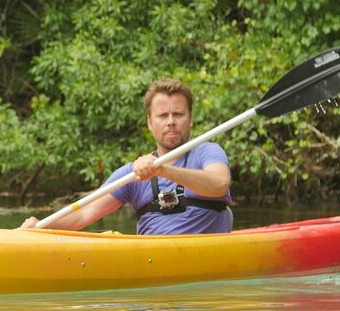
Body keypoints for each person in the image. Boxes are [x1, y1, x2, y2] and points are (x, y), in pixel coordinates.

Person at [20, 78, 232, 234]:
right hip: (148, 262)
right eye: (162, 116)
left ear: (190, 119)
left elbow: (219, 184)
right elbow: (84, 215)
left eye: (178, 114)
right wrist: (41, 226)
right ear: (150, 122)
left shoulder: (208, 152)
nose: (170, 121)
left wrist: (163, 170)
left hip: (203, 256)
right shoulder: (132, 174)